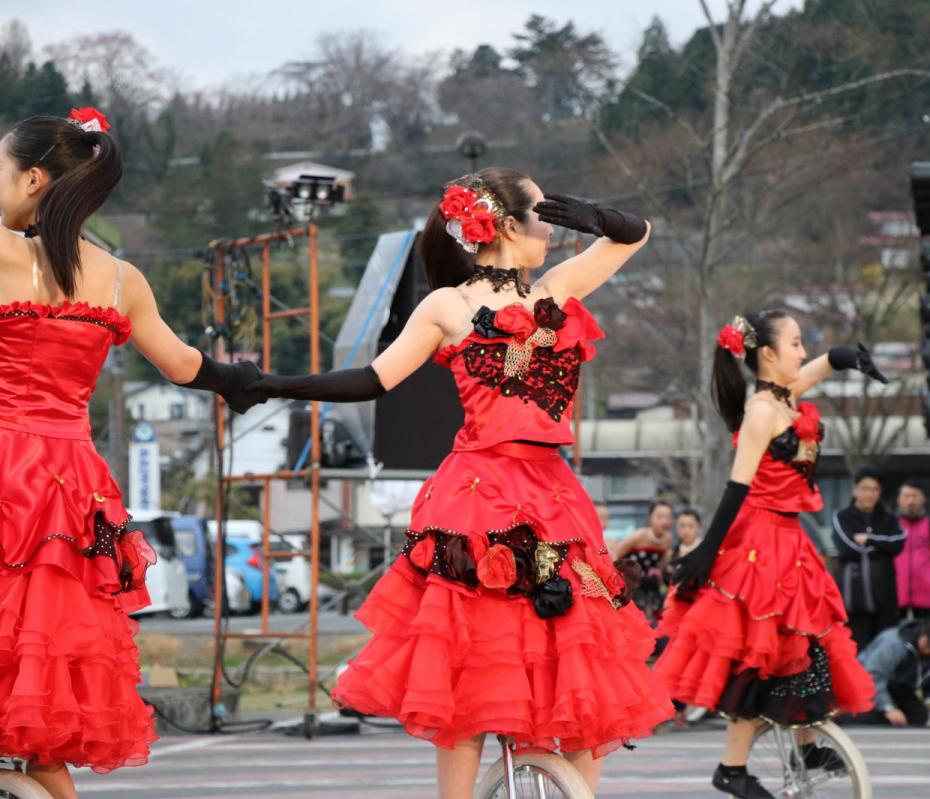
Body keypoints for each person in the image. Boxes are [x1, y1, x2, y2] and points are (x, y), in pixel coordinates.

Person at [247, 168, 672, 798]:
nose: (551, 230)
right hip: (479, 495)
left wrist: (586, 213)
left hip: (555, 494)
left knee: (578, 659)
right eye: (540, 215)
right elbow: (371, 380)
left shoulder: (556, 289)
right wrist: (272, 386)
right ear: (503, 224)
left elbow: (635, 235)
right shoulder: (448, 305)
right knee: (476, 665)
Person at [0, 110, 262, 798]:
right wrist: (248, 380)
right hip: (71, 483)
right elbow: (182, 365)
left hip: (5, 470)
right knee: (39, 684)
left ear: (31, 177)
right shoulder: (120, 279)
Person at [654, 310, 885, 799]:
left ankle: (804, 741)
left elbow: (818, 367)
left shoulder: (786, 395)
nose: (802, 352)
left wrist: (849, 359)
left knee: (800, 641)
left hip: (789, 539)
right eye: (795, 343)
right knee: (758, 653)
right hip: (759, 541)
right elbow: (736, 488)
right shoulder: (761, 411)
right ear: (768, 354)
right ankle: (731, 768)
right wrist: (706, 554)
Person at [846, 619, 930, 728]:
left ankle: (888, 718)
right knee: (864, 715)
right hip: (866, 686)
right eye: (927, 644)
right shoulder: (894, 642)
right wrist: (888, 708)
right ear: (922, 634)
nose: (928, 650)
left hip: (900, 689)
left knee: (919, 716)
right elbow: (873, 676)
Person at [833, 469, 906, 649]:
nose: (870, 494)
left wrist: (869, 539)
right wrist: (881, 546)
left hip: (885, 599)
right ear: (855, 490)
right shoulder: (843, 516)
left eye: (875, 489)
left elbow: (898, 543)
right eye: (865, 488)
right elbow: (847, 547)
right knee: (857, 650)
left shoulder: (889, 517)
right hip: (854, 600)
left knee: (885, 647)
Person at [611, 500, 674, 623]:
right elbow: (616, 554)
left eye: (668, 517)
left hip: (649, 584)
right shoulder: (638, 536)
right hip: (629, 582)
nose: (664, 521)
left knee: (654, 617)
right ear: (650, 518)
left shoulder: (668, 538)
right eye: (660, 517)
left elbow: (661, 561)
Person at [895, 479, 930, 620]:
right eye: (906, 496)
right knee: (896, 636)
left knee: (925, 635)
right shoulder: (892, 525)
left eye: (915, 496)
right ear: (899, 499)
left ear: (923, 499)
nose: (911, 501)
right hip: (896, 591)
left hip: (924, 591)